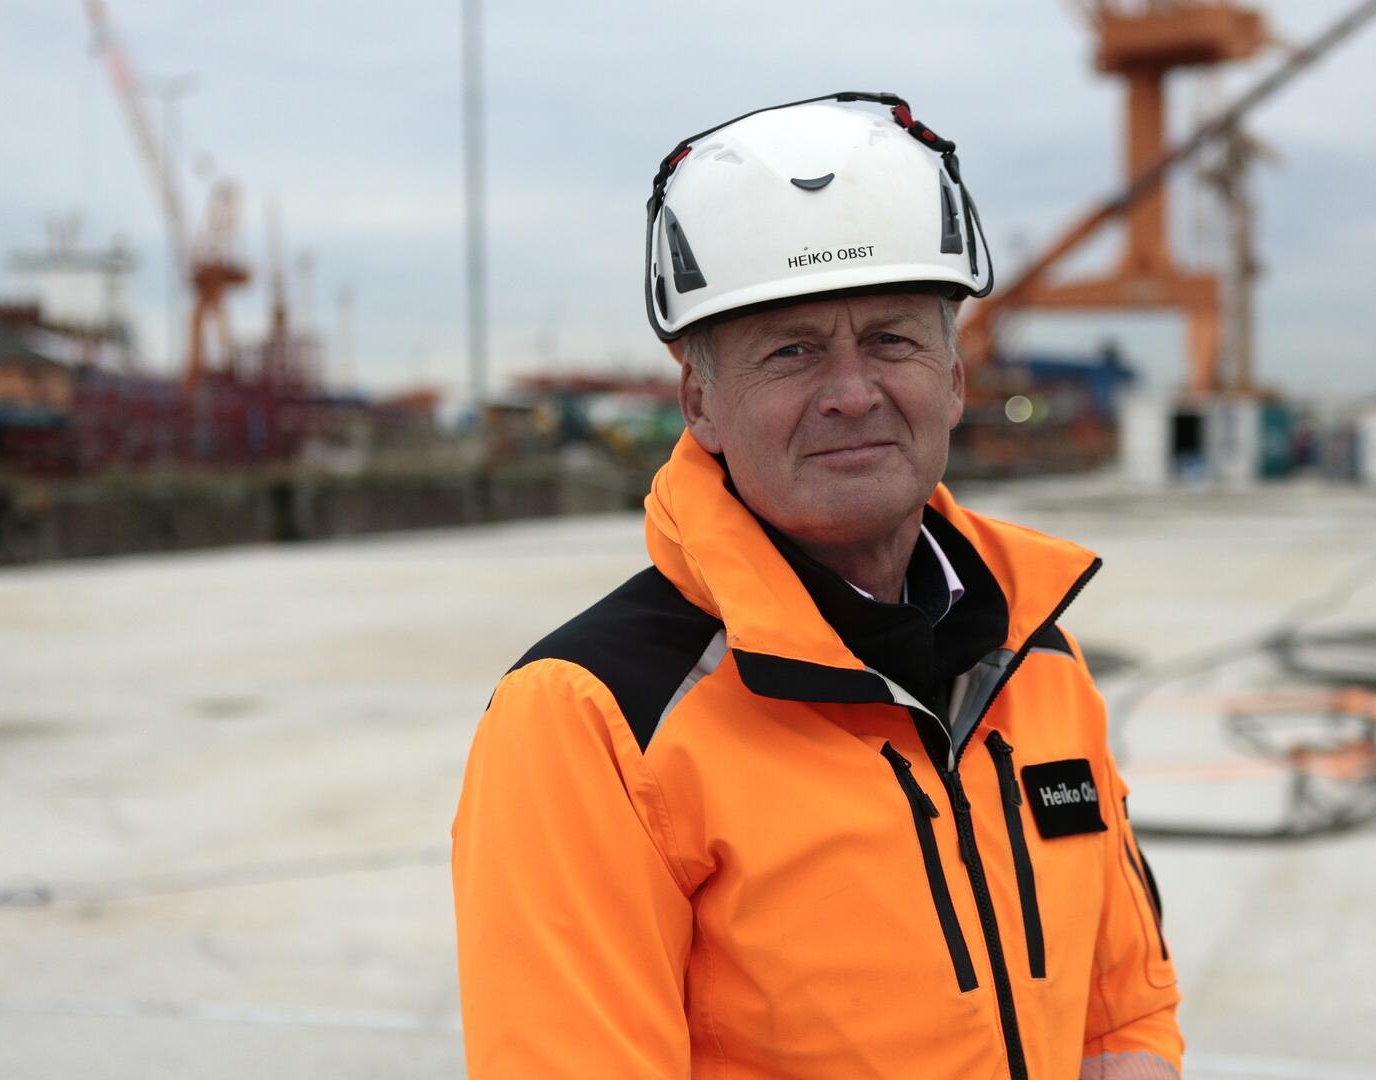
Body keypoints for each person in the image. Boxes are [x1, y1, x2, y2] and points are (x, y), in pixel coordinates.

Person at [451, 92, 1181, 1079]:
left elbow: (1122, 1014)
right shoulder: (595, 720)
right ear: (700, 401)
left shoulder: (1036, 658)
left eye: (891, 339)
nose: (850, 391)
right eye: (791, 351)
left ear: (956, 380)